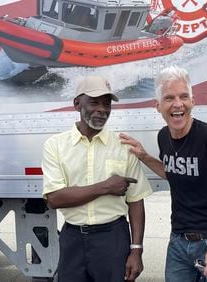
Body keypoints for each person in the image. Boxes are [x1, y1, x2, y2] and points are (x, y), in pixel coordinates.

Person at [120, 66, 207, 281]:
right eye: (169, 98)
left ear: (192, 102)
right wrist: (145, 157)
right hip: (178, 243)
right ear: (158, 106)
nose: (178, 104)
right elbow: (176, 173)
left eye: (184, 96)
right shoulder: (163, 137)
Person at [41, 76, 153, 282]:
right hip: (72, 239)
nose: (102, 109)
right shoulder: (55, 145)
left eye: (107, 103)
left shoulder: (123, 146)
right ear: (77, 104)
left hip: (113, 238)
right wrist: (106, 186)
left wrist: (136, 250)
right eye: (94, 102)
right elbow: (54, 199)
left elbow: (136, 201)